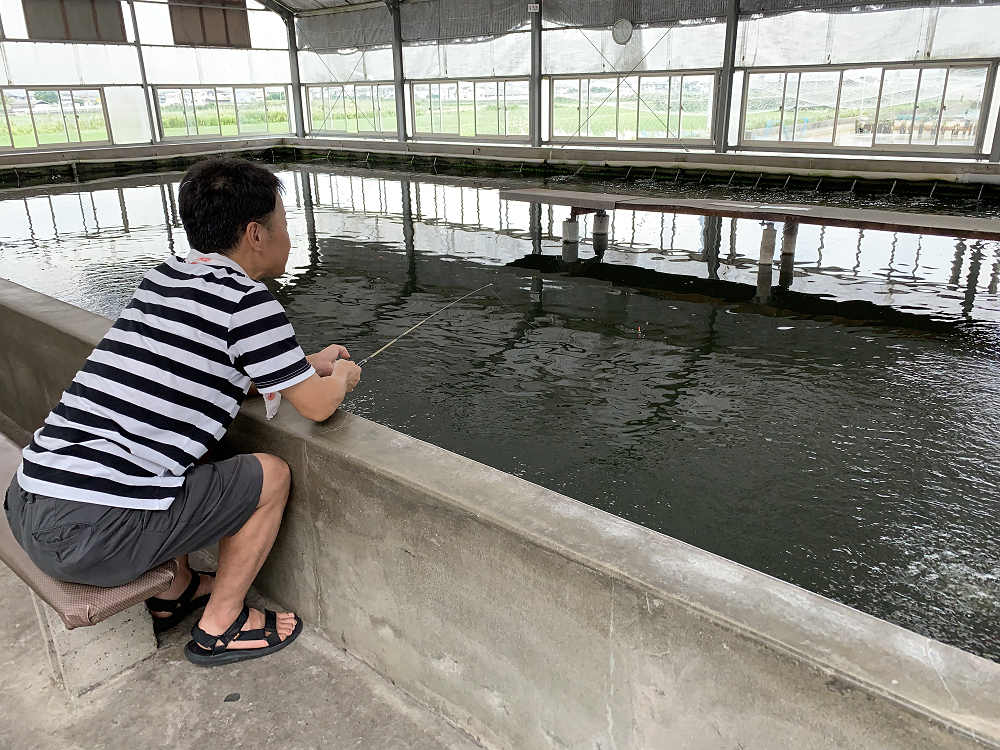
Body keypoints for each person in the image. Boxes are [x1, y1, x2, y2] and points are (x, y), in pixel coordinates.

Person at [4, 158, 361, 666]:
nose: (288, 235)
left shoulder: (166, 277)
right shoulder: (248, 301)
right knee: (271, 476)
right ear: (255, 233)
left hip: (28, 500)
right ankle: (221, 624)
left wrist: (305, 363)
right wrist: (341, 377)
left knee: (170, 458)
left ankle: (176, 591)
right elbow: (318, 406)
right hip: (89, 533)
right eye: (284, 223)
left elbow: (209, 364)